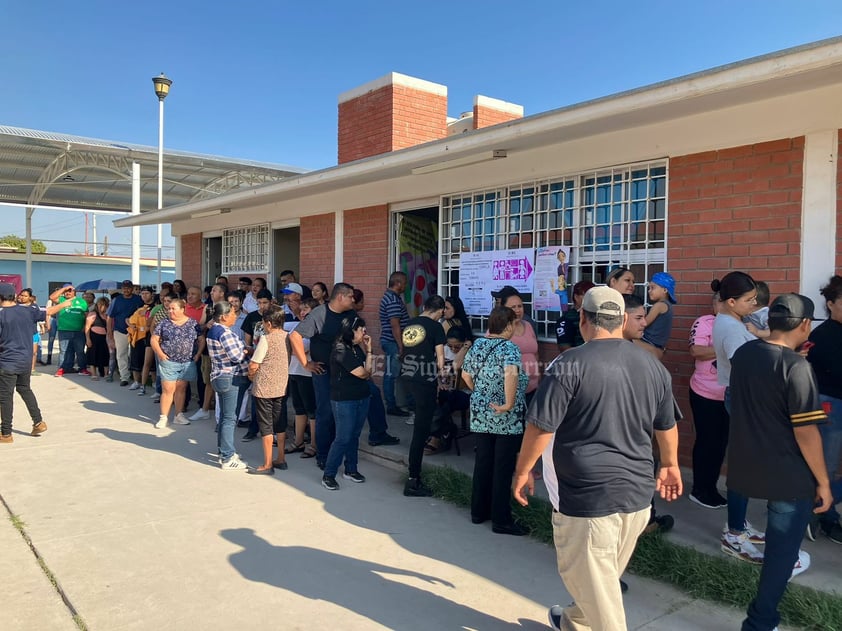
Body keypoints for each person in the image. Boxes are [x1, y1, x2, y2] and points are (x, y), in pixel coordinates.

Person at [512, 286, 682, 631]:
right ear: (621, 320)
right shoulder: (652, 366)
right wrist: (670, 464)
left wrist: (522, 470)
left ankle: (583, 621)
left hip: (587, 497)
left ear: (584, 320)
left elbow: (541, 427)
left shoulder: (569, 364)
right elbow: (667, 425)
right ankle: (573, 621)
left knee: (599, 592)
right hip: (637, 497)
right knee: (601, 581)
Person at [728, 293, 830, 631]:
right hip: (788, 473)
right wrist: (824, 483)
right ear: (804, 325)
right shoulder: (797, 367)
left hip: (746, 465)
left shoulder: (744, 354)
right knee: (781, 552)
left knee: (780, 546)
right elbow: (807, 433)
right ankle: (760, 622)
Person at [713, 272, 767, 563]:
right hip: (743, 399)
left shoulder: (732, 321)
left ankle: (739, 524)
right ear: (731, 301)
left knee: (743, 465)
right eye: (748, 300)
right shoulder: (731, 328)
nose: (754, 304)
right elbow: (746, 367)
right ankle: (734, 533)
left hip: (741, 397)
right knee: (742, 468)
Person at [461, 306, 528, 534]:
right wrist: (508, 403)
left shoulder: (479, 344)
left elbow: (465, 375)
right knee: (502, 466)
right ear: (508, 326)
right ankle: (501, 519)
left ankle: (478, 512)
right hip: (505, 417)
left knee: (483, 463)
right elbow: (511, 373)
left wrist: (481, 394)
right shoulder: (510, 348)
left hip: (481, 413)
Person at [290, 283, 357, 469]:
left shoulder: (351, 315)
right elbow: (295, 336)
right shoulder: (319, 314)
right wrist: (306, 363)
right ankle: (323, 455)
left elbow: (357, 335)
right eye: (351, 296)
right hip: (324, 371)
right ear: (341, 297)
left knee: (344, 413)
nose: (354, 300)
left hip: (346, 372)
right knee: (325, 413)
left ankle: (340, 452)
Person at [806, 274, 842, 543]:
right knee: (826, 466)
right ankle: (817, 514)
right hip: (829, 405)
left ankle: (820, 512)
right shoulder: (822, 335)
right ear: (830, 304)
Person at [400, 295, 446, 497]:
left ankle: (413, 474)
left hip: (408, 377)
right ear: (440, 311)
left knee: (419, 425)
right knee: (421, 431)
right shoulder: (436, 327)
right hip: (425, 380)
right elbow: (440, 359)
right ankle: (413, 479)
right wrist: (442, 379)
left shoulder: (410, 324)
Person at [321, 315, 374, 490]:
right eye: (361, 329)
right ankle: (329, 474)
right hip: (344, 399)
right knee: (343, 437)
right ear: (352, 331)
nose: (364, 332)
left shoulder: (356, 348)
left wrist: (369, 351)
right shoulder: (340, 350)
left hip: (361, 396)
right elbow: (363, 373)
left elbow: (369, 371)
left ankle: (351, 469)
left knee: (354, 435)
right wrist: (367, 368)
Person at [687, 291, 729, 509]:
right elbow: (696, 350)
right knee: (707, 442)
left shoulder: (739, 326)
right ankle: (700, 490)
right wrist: (724, 347)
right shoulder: (705, 322)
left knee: (721, 444)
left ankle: (711, 488)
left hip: (728, 395)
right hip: (704, 393)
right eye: (718, 301)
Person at [206, 301, 251, 471]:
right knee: (230, 418)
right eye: (232, 313)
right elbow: (236, 356)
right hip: (229, 377)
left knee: (225, 417)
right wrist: (246, 350)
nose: (235, 316)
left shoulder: (214, 330)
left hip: (219, 375)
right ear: (224, 316)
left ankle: (224, 451)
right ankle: (227, 456)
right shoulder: (225, 333)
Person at [0, 283, 47, 443]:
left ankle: (6, 433)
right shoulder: (27, 311)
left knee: (6, 396)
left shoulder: (1, 315)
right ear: (13, 296)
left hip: (7, 362)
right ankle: (38, 421)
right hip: (25, 360)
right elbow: (46, 314)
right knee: (24, 389)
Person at [247, 308, 290, 475]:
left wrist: (251, 375)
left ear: (269, 323)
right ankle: (281, 458)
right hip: (281, 386)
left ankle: (267, 464)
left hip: (264, 388)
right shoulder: (287, 337)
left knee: (266, 426)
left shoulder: (266, 339)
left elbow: (254, 363)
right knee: (280, 423)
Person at [150, 298, 202, 429]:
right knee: (168, 389)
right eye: (169, 308)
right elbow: (154, 339)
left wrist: (198, 354)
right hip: (169, 361)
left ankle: (178, 415)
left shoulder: (192, 323)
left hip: (187, 362)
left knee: (181, 388)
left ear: (182, 309)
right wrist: (160, 354)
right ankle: (163, 417)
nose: (170, 311)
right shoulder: (164, 323)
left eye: (173, 308)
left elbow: (201, 339)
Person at [424, 328, 471, 455]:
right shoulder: (443, 350)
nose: (453, 349)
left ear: (465, 342)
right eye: (450, 346)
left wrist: (464, 349)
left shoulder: (470, 352)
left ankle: (436, 436)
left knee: (445, 399)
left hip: (464, 393)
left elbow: (456, 366)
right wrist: (439, 383)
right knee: (437, 397)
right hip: (444, 391)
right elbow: (434, 371)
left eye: (457, 346)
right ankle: (445, 430)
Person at [284, 298, 318, 459]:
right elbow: (288, 347)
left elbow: (301, 348)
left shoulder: (314, 330)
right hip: (294, 371)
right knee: (298, 408)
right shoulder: (295, 326)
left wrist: (292, 348)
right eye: (302, 309)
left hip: (307, 375)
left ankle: (314, 444)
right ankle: (298, 442)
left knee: (312, 410)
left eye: (307, 309)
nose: (303, 312)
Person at [379, 271, 411, 416]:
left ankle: (407, 404)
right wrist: (400, 345)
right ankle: (391, 406)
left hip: (392, 341)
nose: (405, 286)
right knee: (391, 375)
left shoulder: (392, 297)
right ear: (398, 283)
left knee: (400, 373)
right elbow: (395, 325)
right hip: (393, 342)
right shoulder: (392, 300)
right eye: (404, 283)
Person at [500, 290, 540, 404]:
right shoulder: (498, 330)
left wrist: (538, 375)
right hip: (511, 391)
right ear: (503, 309)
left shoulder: (528, 325)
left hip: (533, 388)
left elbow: (535, 353)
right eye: (513, 307)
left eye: (520, 306)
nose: (517, 310)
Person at [47, 284, 90, 377]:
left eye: (70, 290)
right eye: (66, 291)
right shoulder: (62, 300)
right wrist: (64, 289)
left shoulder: (82, 301)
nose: (68, 292)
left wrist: (84, 328)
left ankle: (82, 368)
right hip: (64, 330)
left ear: (74, 292)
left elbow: (87, 315)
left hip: (79, 331)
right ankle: (62, 368)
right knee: (64, 351)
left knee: (80, 351)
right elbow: (52, 297)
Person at [106, 280, 143, 386]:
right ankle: (124, 377)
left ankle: (136, 376)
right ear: (122, 289)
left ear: (132, 288)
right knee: (121, 354)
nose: (126, 290)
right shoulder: (117, 300)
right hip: (120, 330)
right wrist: (109, 333)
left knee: (134, 354)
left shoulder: (138, 299)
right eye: (124, 288)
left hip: (135, 331)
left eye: (128, 287)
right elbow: (109, 317)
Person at [640, 271, 677, 359]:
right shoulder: (668, 305)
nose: (649, 291)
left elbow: (644, 323)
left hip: (648, 342)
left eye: (653, 288)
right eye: (649, 288)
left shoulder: (659, 306)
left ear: (665, 290)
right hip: (658, 345)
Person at [127, 286, 157, 394]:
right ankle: (136, 381)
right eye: (142, 293)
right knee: (135, 359)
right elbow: (127, 318)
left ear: (151, 294)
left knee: (150, 361)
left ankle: (153, 382)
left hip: (149, 335)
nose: (144, 296)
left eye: (146, 293)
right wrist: (131, 325)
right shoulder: (137, 305)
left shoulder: (155, 306)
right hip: (137, 336)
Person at [556, 280, 595, 352]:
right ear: (576, 297)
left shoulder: (597, 316)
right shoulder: (566, 320)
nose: (592, 299)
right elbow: (565, 349)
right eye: (587, 296)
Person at [85, 297, 111, 380]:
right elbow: (87, 327)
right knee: (93, 355)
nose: (102, 307)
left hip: (104, 337)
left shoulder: (107, 315)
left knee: (105, 355)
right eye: (100, 304)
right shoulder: (92, 314)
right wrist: (88, 339)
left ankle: (106, 373)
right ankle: (94, 373)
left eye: (104, 305)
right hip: (94, 336)